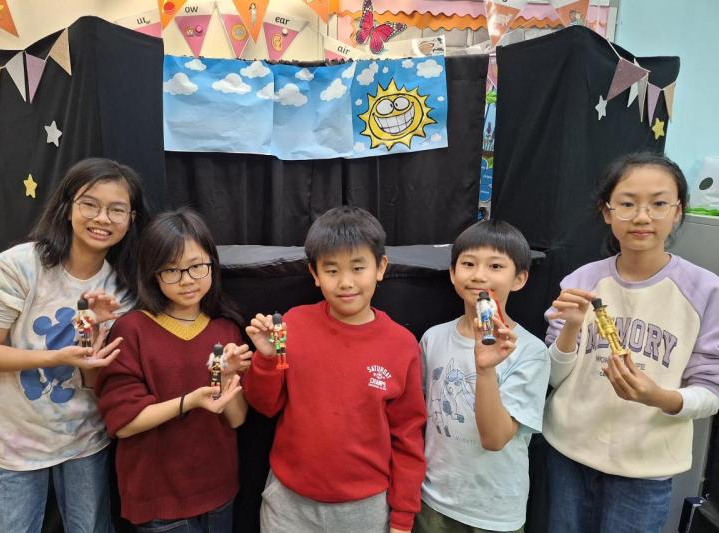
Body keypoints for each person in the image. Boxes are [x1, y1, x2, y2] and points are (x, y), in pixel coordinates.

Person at [0, 158, 149, 532]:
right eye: (90, 204)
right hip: (13, 438)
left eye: (117, 209)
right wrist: (56, 356)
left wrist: (91, 342)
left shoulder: (123, 288)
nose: (102, 218)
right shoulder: (19, 267)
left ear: (131, 218)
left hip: (83, 436)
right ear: (67, 207)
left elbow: (92, 380)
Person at [544, 152, 719, 533]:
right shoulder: (581, 281)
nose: (642, 217)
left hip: (645, 468)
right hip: (569, 455)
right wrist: (570, 330)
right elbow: (553, 378)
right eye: (627, 204)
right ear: (607, 212)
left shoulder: (706, 291)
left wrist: (660, 397)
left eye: (658, 204)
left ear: (678, 211)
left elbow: (711, 392)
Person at [245, 205, 427, 533]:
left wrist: (403, 517)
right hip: (288, 503)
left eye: (358, 268)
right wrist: (267, 359)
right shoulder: (293, 324)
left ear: (380, 267)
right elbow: (265, 405)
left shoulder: (402, 345)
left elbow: (408, 437)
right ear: (315, 274)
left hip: (365, 508)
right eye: (331, 270)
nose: (346, 282)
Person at [95, 207, 250, 532]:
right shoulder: (132, 329)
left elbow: (236, 419)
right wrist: (190, 401)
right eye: (171, 270)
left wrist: (226, 378)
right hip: (158, 497)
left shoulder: (226, 329)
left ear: (212, 264)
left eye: (196, 267)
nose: (187, 280)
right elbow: (123, 424)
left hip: (219, 489)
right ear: (153, 274)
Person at [415, 219, 550, 533]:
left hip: (493, 511)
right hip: (433, 499)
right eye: (468, 264)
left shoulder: (530, 351)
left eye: (495, 266)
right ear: (453, 273)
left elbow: (495, 439)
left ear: (519, 278)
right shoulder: (433, 338)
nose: (479, 275)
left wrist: (485, 369)